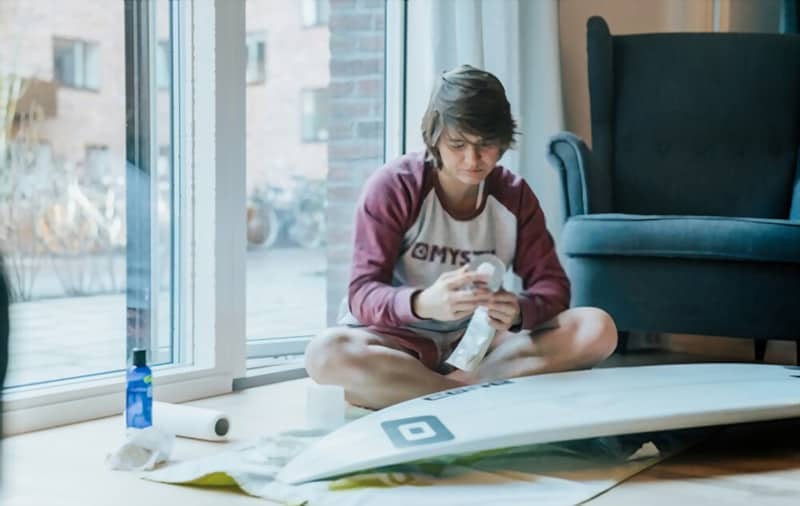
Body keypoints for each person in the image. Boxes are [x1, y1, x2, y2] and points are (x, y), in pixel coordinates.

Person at [306, 65, 617, 409]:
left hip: (475, 348)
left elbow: (553, 288)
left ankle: (438, 393)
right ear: (435, 136)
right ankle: (461, 396)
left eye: (485, 145)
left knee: (597, 328)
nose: (472, 159)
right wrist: (423, 302)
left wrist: (517, 311)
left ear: (502, 143)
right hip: (395, 343)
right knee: (325, 355)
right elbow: (362, 293)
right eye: (458, 144)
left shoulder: (513, 196)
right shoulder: (394, 186)